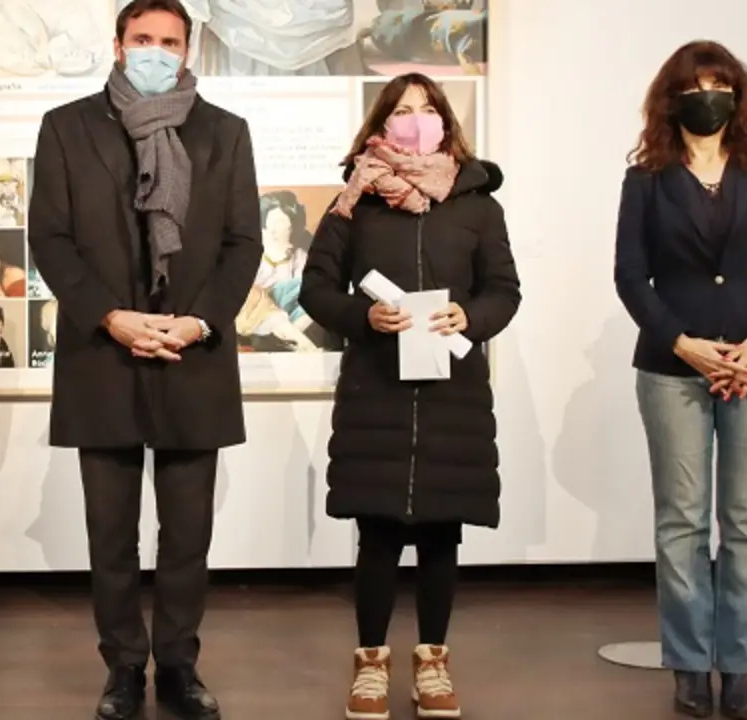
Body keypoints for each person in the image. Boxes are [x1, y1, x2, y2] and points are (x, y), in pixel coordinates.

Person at [25, 1, 261, 719]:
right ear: (119, 45)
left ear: (189, 51)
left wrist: (197, 321)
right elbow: (51, 237)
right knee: (111, 535)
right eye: (143, 39)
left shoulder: (225, 131)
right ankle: (123, 667)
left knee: (188, 536)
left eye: (170, 41)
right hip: (104, 354)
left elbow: (243, 243)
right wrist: (112, 316)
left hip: (194, 354)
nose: (156, 51)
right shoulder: (67, 126)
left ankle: (180, 666)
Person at [299, 72, 520, 720]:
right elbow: (316, 289)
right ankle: (371, 662)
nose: (415, 119)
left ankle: (432, 661)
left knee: (442, 531)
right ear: (381, 124)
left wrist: (470, 318)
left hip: (453, 393)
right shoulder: (354, 201)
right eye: (402, 110)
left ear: (445, 122)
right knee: (377, 531)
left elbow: (503, 290)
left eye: (426, 109)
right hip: (377, 389)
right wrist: (363, 318)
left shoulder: (478, 204)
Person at [614, 40, 747, 720]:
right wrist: (684, 343)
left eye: (719, 85)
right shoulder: (646, 178)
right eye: (695, 88)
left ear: (737, 95)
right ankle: (691, 665)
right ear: (673, 99)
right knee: (682, 524)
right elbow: (630, 276)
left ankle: (741, 664)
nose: (708, 98)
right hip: (673, 370)